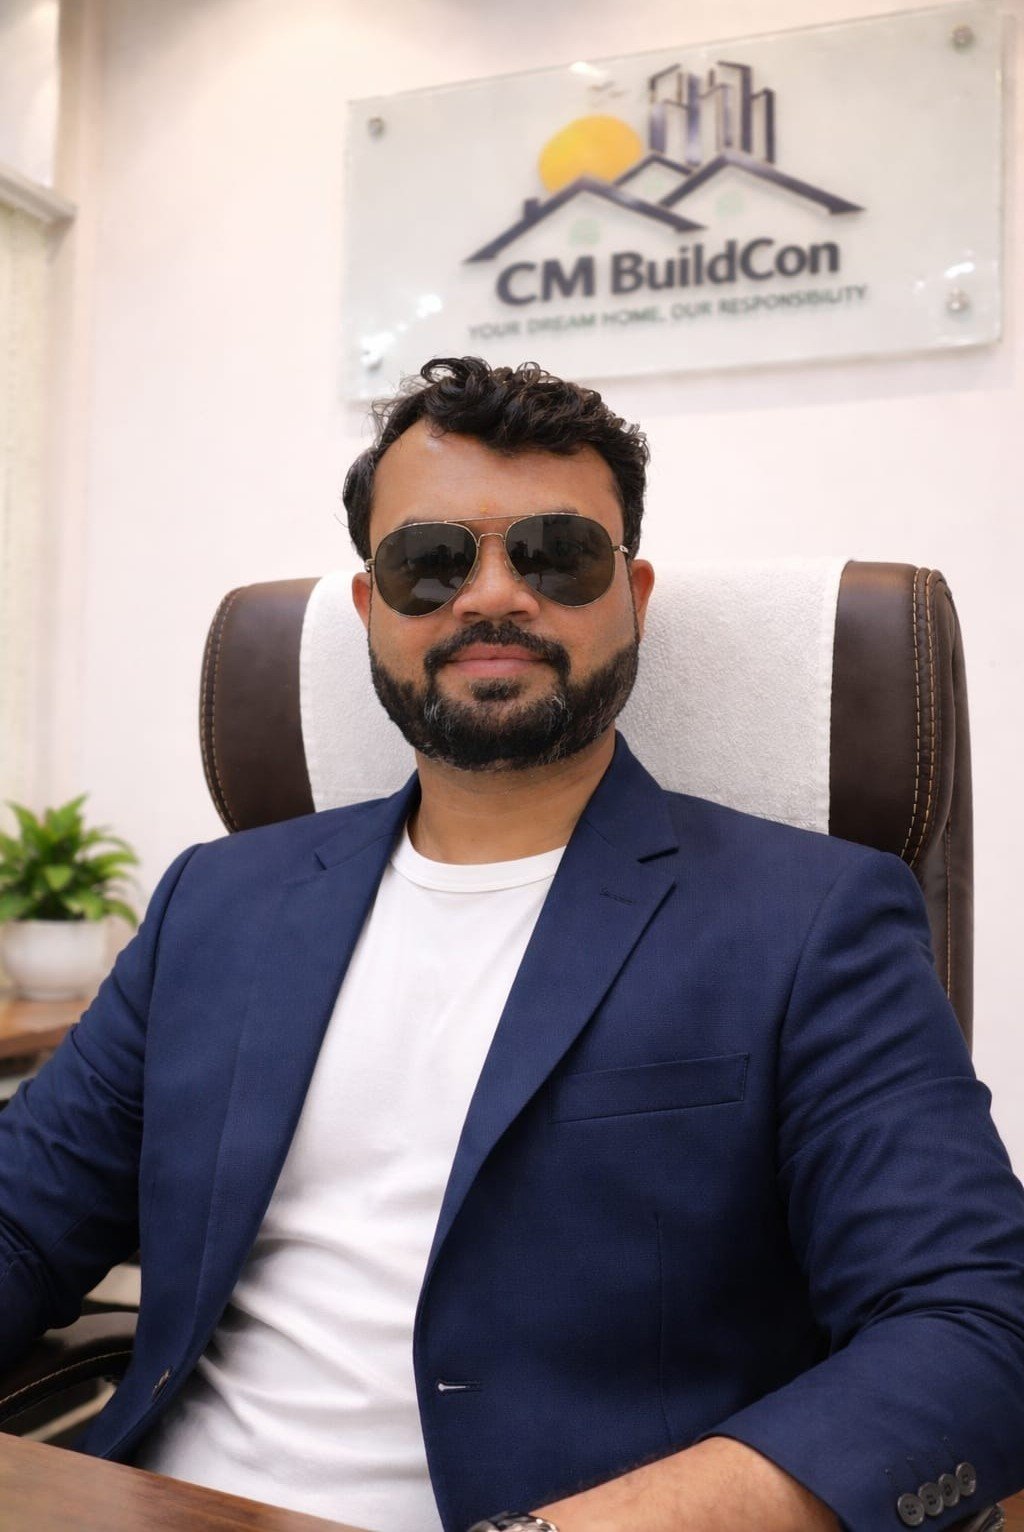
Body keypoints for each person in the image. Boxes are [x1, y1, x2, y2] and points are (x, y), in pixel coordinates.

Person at [1, 357, 1023, 1532]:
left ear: (633, 593)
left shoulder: (811, 916)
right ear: (370, 606)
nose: (492, 595)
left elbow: (973, 1324)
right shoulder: (216, 899)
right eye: (430, 561)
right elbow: (23, 1218)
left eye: (555, 553)